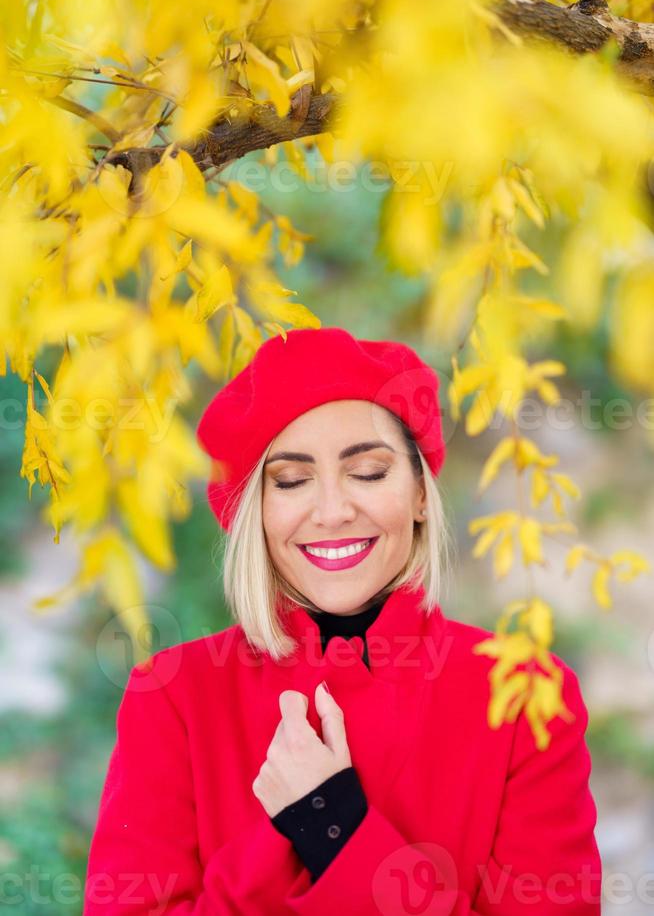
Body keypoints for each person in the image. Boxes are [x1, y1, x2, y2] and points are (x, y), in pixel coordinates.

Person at [82, 326, 602, 914]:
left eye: (369, 472)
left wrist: (333, 828)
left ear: (421, 494)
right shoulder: (175, 694)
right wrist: (296, 835)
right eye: (292, 481)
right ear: (255, 509)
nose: (333, 511)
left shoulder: (523, 694)